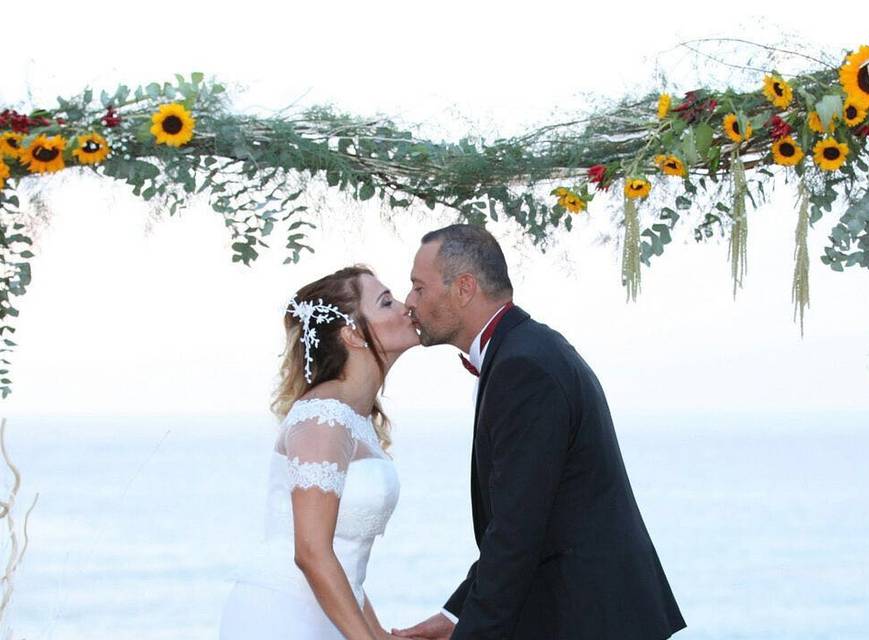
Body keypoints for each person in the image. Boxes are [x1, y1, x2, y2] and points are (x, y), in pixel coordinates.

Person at [394, 224, 686, 639]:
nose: (410, 302)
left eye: (418, 287)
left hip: (590, 620)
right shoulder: (527, 349)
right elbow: (526, 520)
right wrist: (456, 615)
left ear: (464, 288)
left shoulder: (522, 367)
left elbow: (517, 531)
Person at [219, 265, 418, 640]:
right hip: (283, 619)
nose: (406, 307)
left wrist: (378, 633)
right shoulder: (322, 419)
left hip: (328, 615)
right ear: (353, 334)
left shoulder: (353, 418)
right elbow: (311, 552)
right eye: (386, 302)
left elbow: (344, 560)